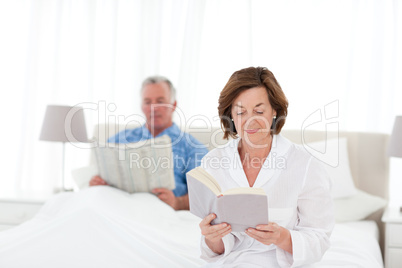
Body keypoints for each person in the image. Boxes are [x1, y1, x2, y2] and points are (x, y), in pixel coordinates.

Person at [198, 67, 334, 267]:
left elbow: (319, 237)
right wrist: (211, 237)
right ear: (231, 116)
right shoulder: (213, 162)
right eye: (241, 112)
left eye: (259, 111)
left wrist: (282, 237)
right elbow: (217, 249)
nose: (250, 120)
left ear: (274, 112)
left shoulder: (305, 165)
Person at [90, 76, 208, 210]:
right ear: (141, 106)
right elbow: (99, 176)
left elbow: (206, 196)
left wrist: (177, 202)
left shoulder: (193, 148)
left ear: (173, 105)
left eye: (160, 101)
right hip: (116, 208)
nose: (153, 108)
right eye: (147, 102)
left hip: (159, 212)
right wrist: (96, 182)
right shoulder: (117, 141)